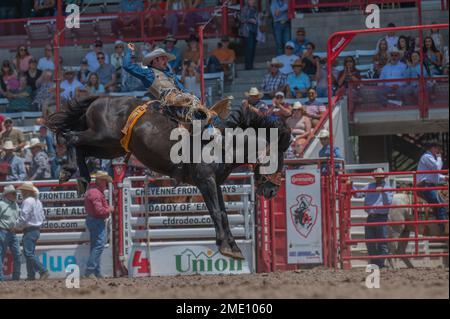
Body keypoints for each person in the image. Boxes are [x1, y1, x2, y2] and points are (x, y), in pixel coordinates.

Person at [123, 43, 195, 107]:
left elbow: (182, 88)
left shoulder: (170, 74)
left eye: (166, 59)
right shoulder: (149, 73)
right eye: (163, 59)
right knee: (196, 116)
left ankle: (198, 122)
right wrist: (130, 50)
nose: (166, 62)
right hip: (165, 106)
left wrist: (191, 97)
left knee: (198, 115)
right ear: (155, 60)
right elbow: (127, 66)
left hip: (180, 102)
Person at [351, 168, 394, 268]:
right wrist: (351, 185)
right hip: (371, 217)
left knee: (382, 242)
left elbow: (388, 202)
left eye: (380, 177)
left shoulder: (387, 188)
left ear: (383, 177)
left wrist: (383, 191)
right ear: (375, 177)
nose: (378, 179)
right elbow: (357, 194)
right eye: (377, 177)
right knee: (370, 242)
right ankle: (375, 263)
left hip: (381, 217)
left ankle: (381, 264)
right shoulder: (369, 186)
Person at [16, 182, 49, 280]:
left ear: (26, 191)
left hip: (29, 230)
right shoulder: (37, 201)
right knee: (30, 253)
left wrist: (16, 226)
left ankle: (43, 270)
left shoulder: (27, 201)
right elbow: (42, 216)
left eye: (22, 190)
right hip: (36, 229)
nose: (21, 192)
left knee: (28, 253)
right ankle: (31, 275)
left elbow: (23, 217)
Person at [84, 171, 114, 278]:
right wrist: (109, 209)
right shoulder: (96, 193)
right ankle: (90, 270)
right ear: (100, 181)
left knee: (95, 246)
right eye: (105, 181)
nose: (106, 184)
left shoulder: (92, 191)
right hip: (96, 220)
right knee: (99, 245)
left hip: (93, 220)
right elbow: (99, 211)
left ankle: (96, 271)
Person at [417, 141, 448, 234]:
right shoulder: (427, 157)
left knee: (439, 202)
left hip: (428, 184)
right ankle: (443, 227)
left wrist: (445, 178)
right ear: (432, 148)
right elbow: (437, 168)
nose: (439, 151)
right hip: (426, 186)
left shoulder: (429, 157)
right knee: (439, 204)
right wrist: (439, 158)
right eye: (437, 148)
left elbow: (435, 176)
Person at [0, 185, 21, 281]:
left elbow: (17, 217)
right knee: (1, 254)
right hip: (3, 230)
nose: (15, 194)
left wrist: (16, 226)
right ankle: (1, 277)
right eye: (13, 193)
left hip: (12, 232)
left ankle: (16, 276)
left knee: (17, 254)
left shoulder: (15, 204)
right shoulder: (1, 204)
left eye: (15, 193)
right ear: (7, 194)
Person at [240, 0, 259, 70]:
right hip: (247, 31)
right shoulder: (245, 8)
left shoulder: (255, 9)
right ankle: (248, 66)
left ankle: (251, 65)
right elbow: (241, 19)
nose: (252, 1)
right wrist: (249, 20)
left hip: (254, 31)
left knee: (253, 49)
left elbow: (257, 18)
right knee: (249, 49)